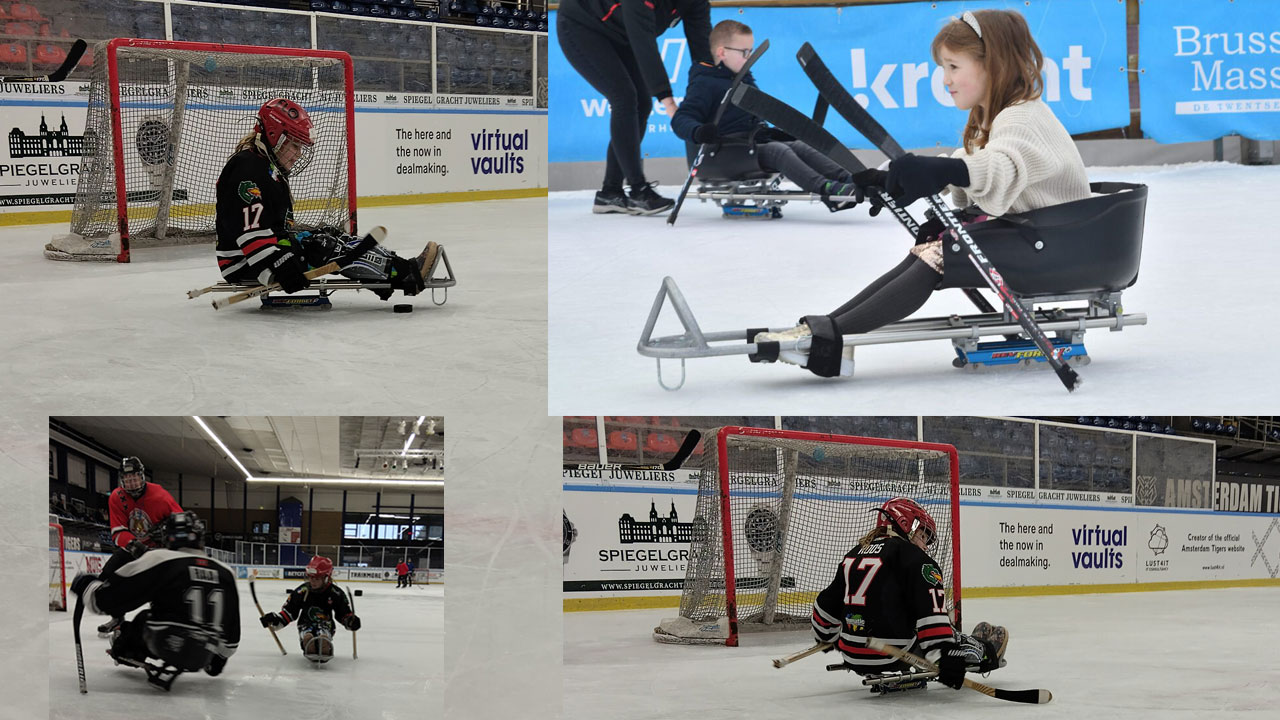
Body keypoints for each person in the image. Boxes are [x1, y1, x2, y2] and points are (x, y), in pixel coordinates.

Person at [756, 9, 1091, 377]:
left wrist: (945, 171)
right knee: (933, 248)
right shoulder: (1001, 115)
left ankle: (833, 334)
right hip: (1043, 239)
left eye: (953, 66)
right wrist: (887, 179)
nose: (945, 79)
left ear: (992, 64)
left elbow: (1000, 167)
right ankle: (829, 329)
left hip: (1055, 247)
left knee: (944, 252)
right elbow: (968, 161)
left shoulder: (1021, 117)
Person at [215, 97, 440, 299]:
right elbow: (251, 231)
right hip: (244, 263)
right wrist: (277, 267)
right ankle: (403, 273)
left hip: (264, 255)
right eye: (294, 145)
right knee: (324, 247)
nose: (299, 153)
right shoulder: (248, 168)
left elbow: (273, 228)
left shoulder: (265, 166)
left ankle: (395, 269)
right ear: (275, 136)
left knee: (329, 237)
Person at [810, 498, 1007, 690]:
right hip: (895, 655)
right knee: (941, 631)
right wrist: (946, 658)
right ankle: (983, 651)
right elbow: (932, 618)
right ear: (906, 525)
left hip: (852, 654)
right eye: (923, 535)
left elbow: (824, 610)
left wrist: (827, 638)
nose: (925, 545)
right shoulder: (915, 558)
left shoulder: (853, 555)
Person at [671, 20, 861, 212]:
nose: (749, 57)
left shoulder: (742, 78)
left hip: (746, 145)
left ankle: (852, 179)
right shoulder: (705, 82)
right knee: (777, 151)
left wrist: (773, 132)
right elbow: (681, 119)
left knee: (799, 146)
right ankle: (829, 190)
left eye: (751, 51)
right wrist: (698, 131)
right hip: (721, 153)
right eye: (745, 52)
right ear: (722, 52)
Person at [557, 0, 712, 215]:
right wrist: (669, 103)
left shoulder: (697, 3)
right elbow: (645, 45)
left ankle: (610, 192)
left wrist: (713, 93)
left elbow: (703, 52)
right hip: (582, 25)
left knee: (642, 103)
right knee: (625, 98)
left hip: (621, 32)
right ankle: (638, 189)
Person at [70, 512, 239, 691]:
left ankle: (125, 648)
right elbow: (231, 637)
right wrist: (218, 660)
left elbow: (108, 601)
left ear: (168, 537)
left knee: (143, 618)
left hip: (165, 644)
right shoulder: (226, 572)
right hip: (203, 654)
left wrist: (87, 587)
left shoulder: (160, 559)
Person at [97, 456, 184, 636]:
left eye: (134, 478)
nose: (131, 483)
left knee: (162, 587)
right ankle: (117, 617)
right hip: (132, 548)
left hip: (158, 550)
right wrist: (136, 546)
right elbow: (118, 532)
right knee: (108, 578)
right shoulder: (117, 497)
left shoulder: (159, 495)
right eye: (127, 479)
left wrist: (167, 532)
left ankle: (165, 620)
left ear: (142, 476)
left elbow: (182, 520)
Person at [259, 556, 361, 662]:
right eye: (310, 577)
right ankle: (308, 643)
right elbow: (289, 612)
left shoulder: (336, 593)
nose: (312, 581)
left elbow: (343, 613)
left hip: (326, 624)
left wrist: (350, 621)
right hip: (305, 624)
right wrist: (275, 620)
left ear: (326, 578)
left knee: (323, 636)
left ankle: (325, 645)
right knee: (308, 636)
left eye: (316, 578)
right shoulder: (301, 591)